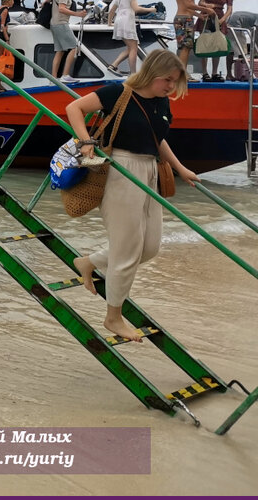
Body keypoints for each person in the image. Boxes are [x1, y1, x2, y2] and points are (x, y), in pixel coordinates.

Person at [67, 49, 200, 342]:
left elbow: (158, 138)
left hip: (149, 170)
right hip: (119, 170)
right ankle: (113, 317)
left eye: (173, 82)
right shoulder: (117, 92)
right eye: (167, 80)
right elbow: (73, 108)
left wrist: (180, 168)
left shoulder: (161, 100)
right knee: (127, 251)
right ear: (152, 72)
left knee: (149, 247)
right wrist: (85, 141)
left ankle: (89, 262)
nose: (169, 87)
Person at [106, 0, 156, 75]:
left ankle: (114, 65)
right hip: (127, 22)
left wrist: (109, 22)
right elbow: (136, 9)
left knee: (130, 47)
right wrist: (150, 9)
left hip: (119, 22)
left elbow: (112, 10)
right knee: (134, 48)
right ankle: (133, 73)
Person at [194, 0, 237, 81]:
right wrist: (208, 6)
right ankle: (204, 73)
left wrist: (222, 20)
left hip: (219, 17)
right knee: (205, 43)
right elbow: (200, 2)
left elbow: (229, 9)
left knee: (217, 44)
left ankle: (214, 72)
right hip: (206, 16)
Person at [172, 0, 214, 74]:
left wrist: (199, 15)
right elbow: (187, 4)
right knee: (185, 48)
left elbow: (188, 7)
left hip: (185, 18)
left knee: (185, 48)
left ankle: (182, 73)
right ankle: (183, 74)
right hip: (184, 20)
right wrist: (206, 9)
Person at [50, 0, 88, 82]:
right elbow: (61, 8)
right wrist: (77, 14)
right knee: (74, 47)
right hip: (61, 23)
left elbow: (48, 0)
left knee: (60, 50)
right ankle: (65, 75)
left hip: (54, 23)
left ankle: (53, 77)